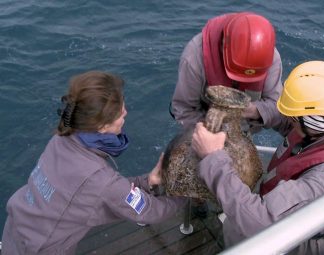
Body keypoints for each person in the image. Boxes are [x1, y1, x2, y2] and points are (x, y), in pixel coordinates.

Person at [191, 61, 324, 254]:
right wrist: (253, 111)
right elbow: (292, 120)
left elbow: (259, 223)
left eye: (294, 118)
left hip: (302, 242)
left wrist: (213, 158)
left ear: (312, 122)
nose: (290, 121)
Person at [1, 71, 187, 255]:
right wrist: (184, 195)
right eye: (121, 112)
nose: (126, 113)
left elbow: (98, 190)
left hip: (15, 228)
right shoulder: (100, 181)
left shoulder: (61, 139)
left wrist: (148, 181)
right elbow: (151, 211)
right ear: (102, 126)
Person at [170, 12, 283, 132]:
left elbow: (278, 108)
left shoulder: (269, 57)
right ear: (223, 45)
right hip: (205, 124)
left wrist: (252, 110)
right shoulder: (194, 57)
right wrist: (209, 136)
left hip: (248, 121)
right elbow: (183, 110)